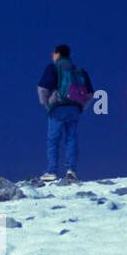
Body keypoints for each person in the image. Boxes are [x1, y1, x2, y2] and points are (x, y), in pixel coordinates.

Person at [37, 44, 93, 181]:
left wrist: (47, 104)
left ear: (57, 53)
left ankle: (51, 171)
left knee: (53, 140)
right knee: (71, 138)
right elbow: (90, 93)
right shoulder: (79, 70)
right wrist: (81, 107)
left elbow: (43, 88)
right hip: (74, 108)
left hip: (58, 106)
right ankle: (71, 170)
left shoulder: (53, 67)